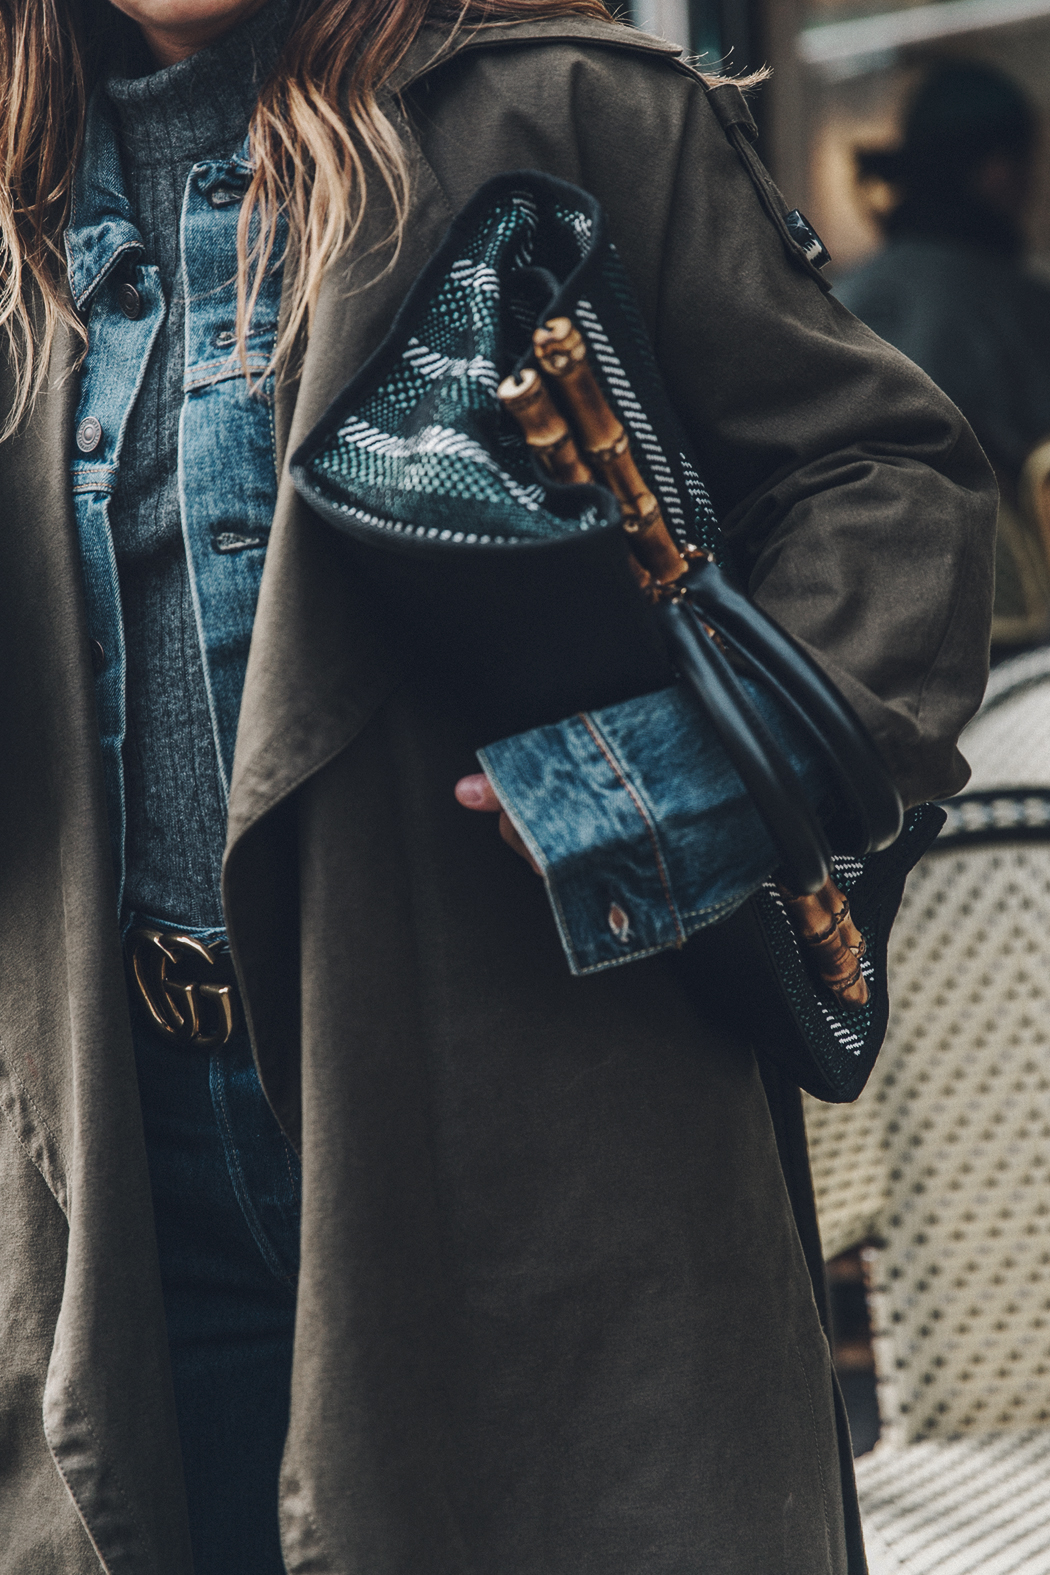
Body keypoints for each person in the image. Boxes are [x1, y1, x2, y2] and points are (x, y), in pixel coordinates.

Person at [0, 2, 995, 1573]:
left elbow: (886, 493)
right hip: (113, 1181)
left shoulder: (553, 100)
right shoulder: (19, 188)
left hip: (535, 1125)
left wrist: (647, 787)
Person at [837, 61, 1050, 646]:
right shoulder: (1022, 309)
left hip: (853, 625)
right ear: (1001, 172)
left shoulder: (833, 302)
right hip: (996, 627)